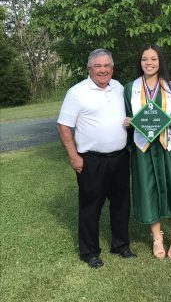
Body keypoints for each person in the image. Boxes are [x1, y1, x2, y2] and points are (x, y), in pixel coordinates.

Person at [57, 48, 136, 269]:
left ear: (112, 67)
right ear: (89, 69)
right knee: (91, 206)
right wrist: (73, 156)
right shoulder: (77, 92)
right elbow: (63, 126)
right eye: (98, 66)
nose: (103, 70)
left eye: (107, 66)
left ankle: (121, 245)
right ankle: (89, 252)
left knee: (121, 204)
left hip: (120, 158)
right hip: (91, 160)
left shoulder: (119, 87)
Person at [124, 45, 171, 259]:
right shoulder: (130, 88)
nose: (148, 63)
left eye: (153, 59)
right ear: (139, 62)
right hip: (143, 147)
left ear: (161, 61)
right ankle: (157, 237)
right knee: (147, 189)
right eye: (144, 59)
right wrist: (128, 121)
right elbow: (127, 113)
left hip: (168, 145)